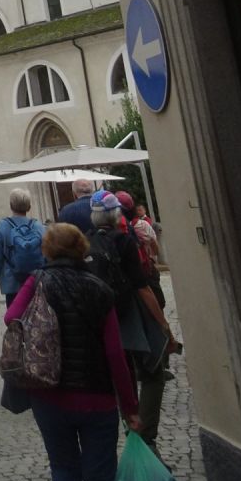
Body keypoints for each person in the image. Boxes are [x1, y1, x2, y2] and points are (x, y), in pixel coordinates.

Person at [6, 224, 140, 481]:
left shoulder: (37, 282)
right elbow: (115, 353)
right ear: (82, 249)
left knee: (63, 469)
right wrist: (130, 406)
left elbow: (10, 318)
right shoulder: (100, 290)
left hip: (50, 395)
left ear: (46, 250)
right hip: (97, 399)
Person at [88, 192, 178, 460]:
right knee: (152, 373)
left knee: (121, 378)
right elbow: (142, 288)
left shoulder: (87, 241)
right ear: (118, 215)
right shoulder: (124, 241)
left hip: (104, 322)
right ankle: (146, 436)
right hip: (130, 318)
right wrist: (163, 326)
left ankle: (131, 428)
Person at [0, 187, 45, 309]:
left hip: (12, 284)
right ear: (29, 207)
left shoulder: (2, 226)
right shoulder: (39, 226)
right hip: (37, 281)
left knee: (15, 320)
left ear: (11, 206)